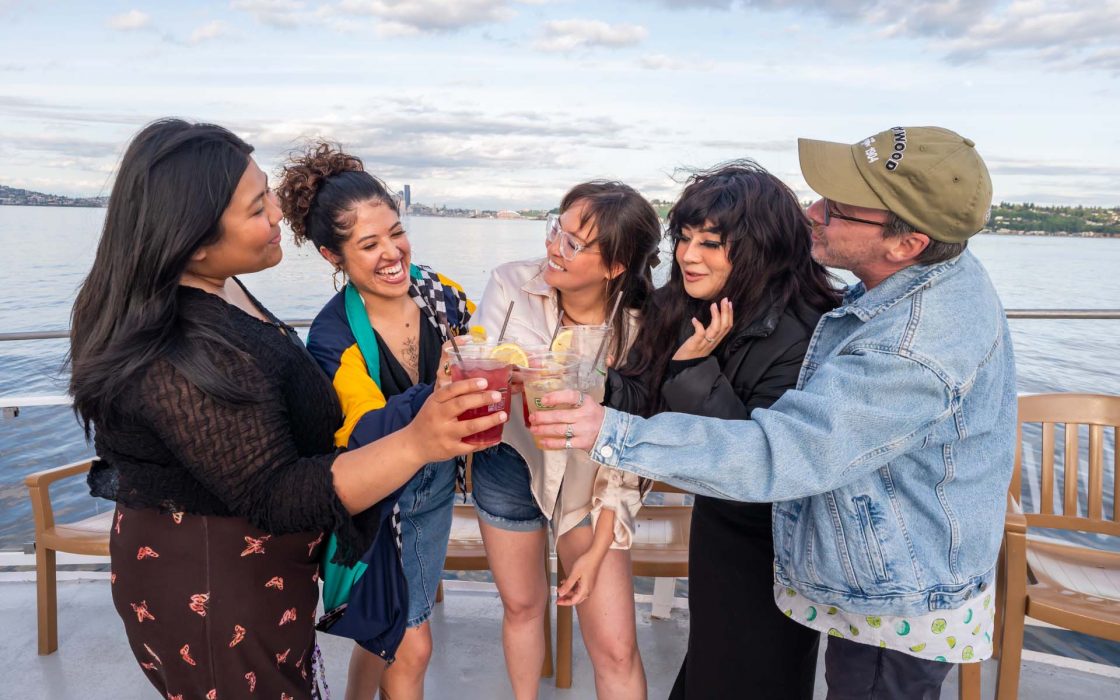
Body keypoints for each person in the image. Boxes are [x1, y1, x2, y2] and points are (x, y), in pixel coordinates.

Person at [531, 127, 1016, 699]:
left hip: (897, 586)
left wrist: (620, 421)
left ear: (906, 243)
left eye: (836, 208)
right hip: (853, 554)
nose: (812, 211)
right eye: (684, 238)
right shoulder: (907, 288)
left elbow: (777, 456)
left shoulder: (907, 347)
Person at [70, 119, 505, 700]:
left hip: (268, 576)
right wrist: (419, 439)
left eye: (268, 192)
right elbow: (275, 493)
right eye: (257, 208)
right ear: (192, 239)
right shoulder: (180, 348)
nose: (279, 214)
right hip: (215, 589)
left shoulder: (221, 285)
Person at [606, 160, 839, 699]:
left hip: (778, 543)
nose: (688, 255)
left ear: (760, 246)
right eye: (684, 237)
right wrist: (588, 387)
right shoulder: (683, 303)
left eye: (711, 243)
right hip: (718, 530)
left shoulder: (805, 331)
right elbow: (638, 394)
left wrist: (692, 371)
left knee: (757, 672)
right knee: (713, 662)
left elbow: (758, 468)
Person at [277, 142, 475, 700]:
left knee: (384, 640)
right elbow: (363, 429)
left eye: (396, 232)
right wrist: (439, 391)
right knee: (411, 646)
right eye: (369, 244)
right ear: (330, 255)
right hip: (376, 509)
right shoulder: (334, 335)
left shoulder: (444, 295)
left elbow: (486, 348)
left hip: (431, 500)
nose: (393, 253)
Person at [470, 181, 661, 700]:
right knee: (524, 606)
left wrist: (600, 547)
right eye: (557, 227)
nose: (555, 246)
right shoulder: (511, 283)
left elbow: (632, 447)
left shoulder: (642, 326)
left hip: (589, 481)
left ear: (616, 266)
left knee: (617, 648)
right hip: (510, 459)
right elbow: (481, 363)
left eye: (575, 243)